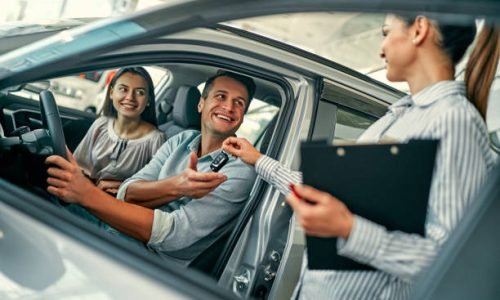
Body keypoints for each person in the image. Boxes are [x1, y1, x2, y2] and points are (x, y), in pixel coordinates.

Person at [223, 16, 499, 299]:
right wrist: (258, 160)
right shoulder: (396, 117)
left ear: (419, 30)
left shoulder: (454, 120)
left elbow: (456, 264)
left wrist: (349, 229)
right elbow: (333, 192)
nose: (381, 49)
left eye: (386, 33)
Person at [46, 71, 257, 266]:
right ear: (201, 104)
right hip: (122, 231)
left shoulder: (239, 170)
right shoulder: (182, 140)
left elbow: (172, 235)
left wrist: (87, 194)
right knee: (46, 202)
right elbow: (127, 191)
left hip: (149, 260)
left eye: (239, 103)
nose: (229, 107)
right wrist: (177, 187)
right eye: (220, 96)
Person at [73, 67, 166, 195]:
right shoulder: (100, 125)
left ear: (148, 100)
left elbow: (159, 187)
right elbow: (79, 167)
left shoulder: (156, 139)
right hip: (86, 195)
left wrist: (122, 186)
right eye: (123, 89)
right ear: (111, 93)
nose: (130, 97)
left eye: (139, 92)